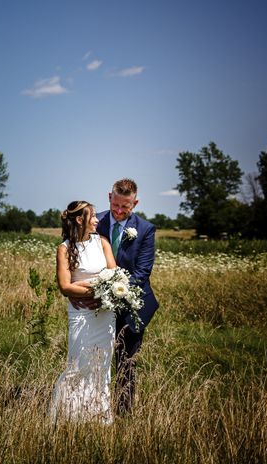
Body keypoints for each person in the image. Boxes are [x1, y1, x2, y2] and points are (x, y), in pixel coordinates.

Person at [50, 200, 117, 424]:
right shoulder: (65, 248)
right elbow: (65, 286)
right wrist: (96, 288)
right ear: (80, 220)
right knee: (78, 364)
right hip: (81, 314)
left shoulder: (103, 242)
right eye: (93, 216)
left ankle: (99, 417)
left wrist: (92, 291)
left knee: (102, 365)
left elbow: (114, 275)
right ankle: (69, 416)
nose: (98, 220)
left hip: (105, 314)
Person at [97, 178, 158, 415]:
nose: (120, 211)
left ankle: (123, 412)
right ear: (109, 197)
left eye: (126, 207)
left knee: (127, 361)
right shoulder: (94, 222)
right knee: (97, 358)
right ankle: (95, 407)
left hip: (132, 304)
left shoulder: (145, 229)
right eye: (116, 205)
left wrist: (113, 293)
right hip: (98, 304)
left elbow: (142, 272)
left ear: (136, 203)